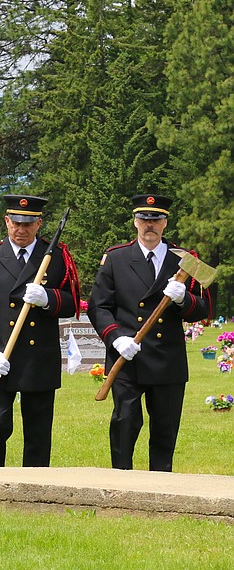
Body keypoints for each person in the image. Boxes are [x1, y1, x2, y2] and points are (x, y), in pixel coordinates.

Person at [88, 194, 210, 472]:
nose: (149, 225)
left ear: (165, 223)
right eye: (144, 219)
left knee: (165, 429)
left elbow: (203, 309)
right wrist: (116, 337)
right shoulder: (117, 258)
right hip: (127, 357)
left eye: (156, 219)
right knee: (125, 421)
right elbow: (99, 306)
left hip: (167, 358)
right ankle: (121, 479)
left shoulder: (186, 261)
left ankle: (161, 483)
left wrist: (183, 299)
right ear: (135, 222)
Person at [0, 195, 80, 467]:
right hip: (1, 358)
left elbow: (73, 302)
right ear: (6, 221)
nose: (21, 229)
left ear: (39, 224)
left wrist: (48, 298)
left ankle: (35, 484)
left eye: (28, 224)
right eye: (16, 222)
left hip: (38, 359)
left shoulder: (54, 256)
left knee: (38, 431)